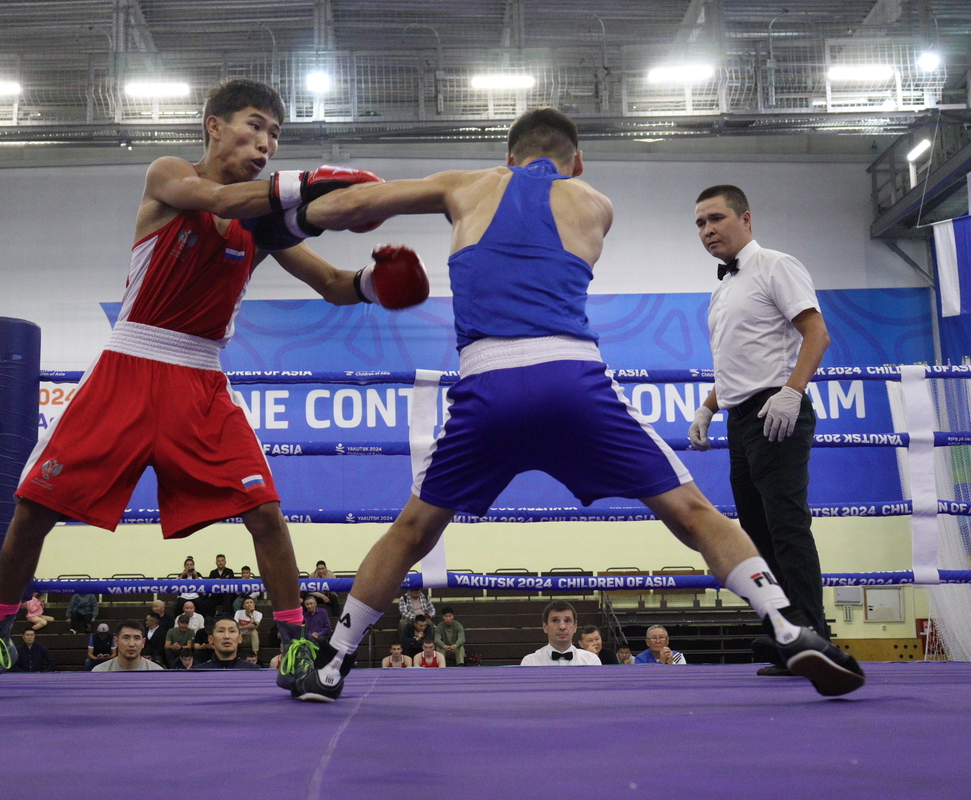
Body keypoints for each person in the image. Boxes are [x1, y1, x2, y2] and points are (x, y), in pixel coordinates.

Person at [290, 106, 863, 701]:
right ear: (577, 162)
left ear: (506, 158)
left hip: (487, 384)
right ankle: (789, 626)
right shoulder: (595, 202)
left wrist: (292, 205)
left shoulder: (464, 185)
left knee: (412, 531)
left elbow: (345, 208)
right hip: (573, 380)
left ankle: (332, 664)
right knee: (693, 512)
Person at [0, 77, 416, 700]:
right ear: (214, 126)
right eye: (255, 125)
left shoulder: (265, 224)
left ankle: (296, 642)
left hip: (200, 378)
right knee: (35, 507)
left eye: (275, 134)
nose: (265, 142)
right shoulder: (170, 176)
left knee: (266, 513)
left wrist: (376, 284)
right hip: (131, 361)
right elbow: (215, 200)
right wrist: (309, 185)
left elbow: (332, 282)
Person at [688, 184, 833, 677]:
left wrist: (792, 392)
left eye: (716, 219)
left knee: (787, 527)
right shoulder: (723, 287)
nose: (708, 230)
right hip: (741, 419)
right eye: (700, 224)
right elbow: (737, 365)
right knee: (757, 534)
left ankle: (815, 634)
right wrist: (708, 407)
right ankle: (787, 635)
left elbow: (817, 332)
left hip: (777, 411)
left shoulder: (775, 264)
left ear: (745, 219)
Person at [520, 601, 601, 666]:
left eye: (567, 620)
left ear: (575, 626)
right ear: (545, 626)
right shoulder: (530, 662)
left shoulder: (591, 661)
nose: (562, 627)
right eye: (555, 620)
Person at [92, 621, 165, 672]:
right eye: (126, 638)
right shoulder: (99, 672)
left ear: (143, 643)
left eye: (137, 638)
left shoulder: (156, 673)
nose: (131, 644)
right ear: (116, 641)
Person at [191, 617, 262, 670]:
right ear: (211, 639)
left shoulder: (254, 671)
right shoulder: (198, 672)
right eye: (221, 631)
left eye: (232, 631)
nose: (226, 636)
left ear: (240, 638)